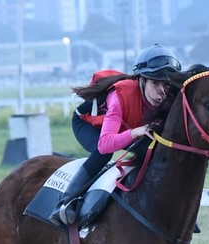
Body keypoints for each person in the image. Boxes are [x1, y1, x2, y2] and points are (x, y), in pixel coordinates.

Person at [50, 44, 182, 225]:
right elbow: (105, 143)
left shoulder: (169, 97)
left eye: (166, 84)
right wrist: (134, 132)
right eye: (155, 83)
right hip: (88, 124)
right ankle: (64, 203)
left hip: (123, 126)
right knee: (103, 154)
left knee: (153, 150)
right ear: (141, 80)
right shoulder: (120, 95)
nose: (161, 92)